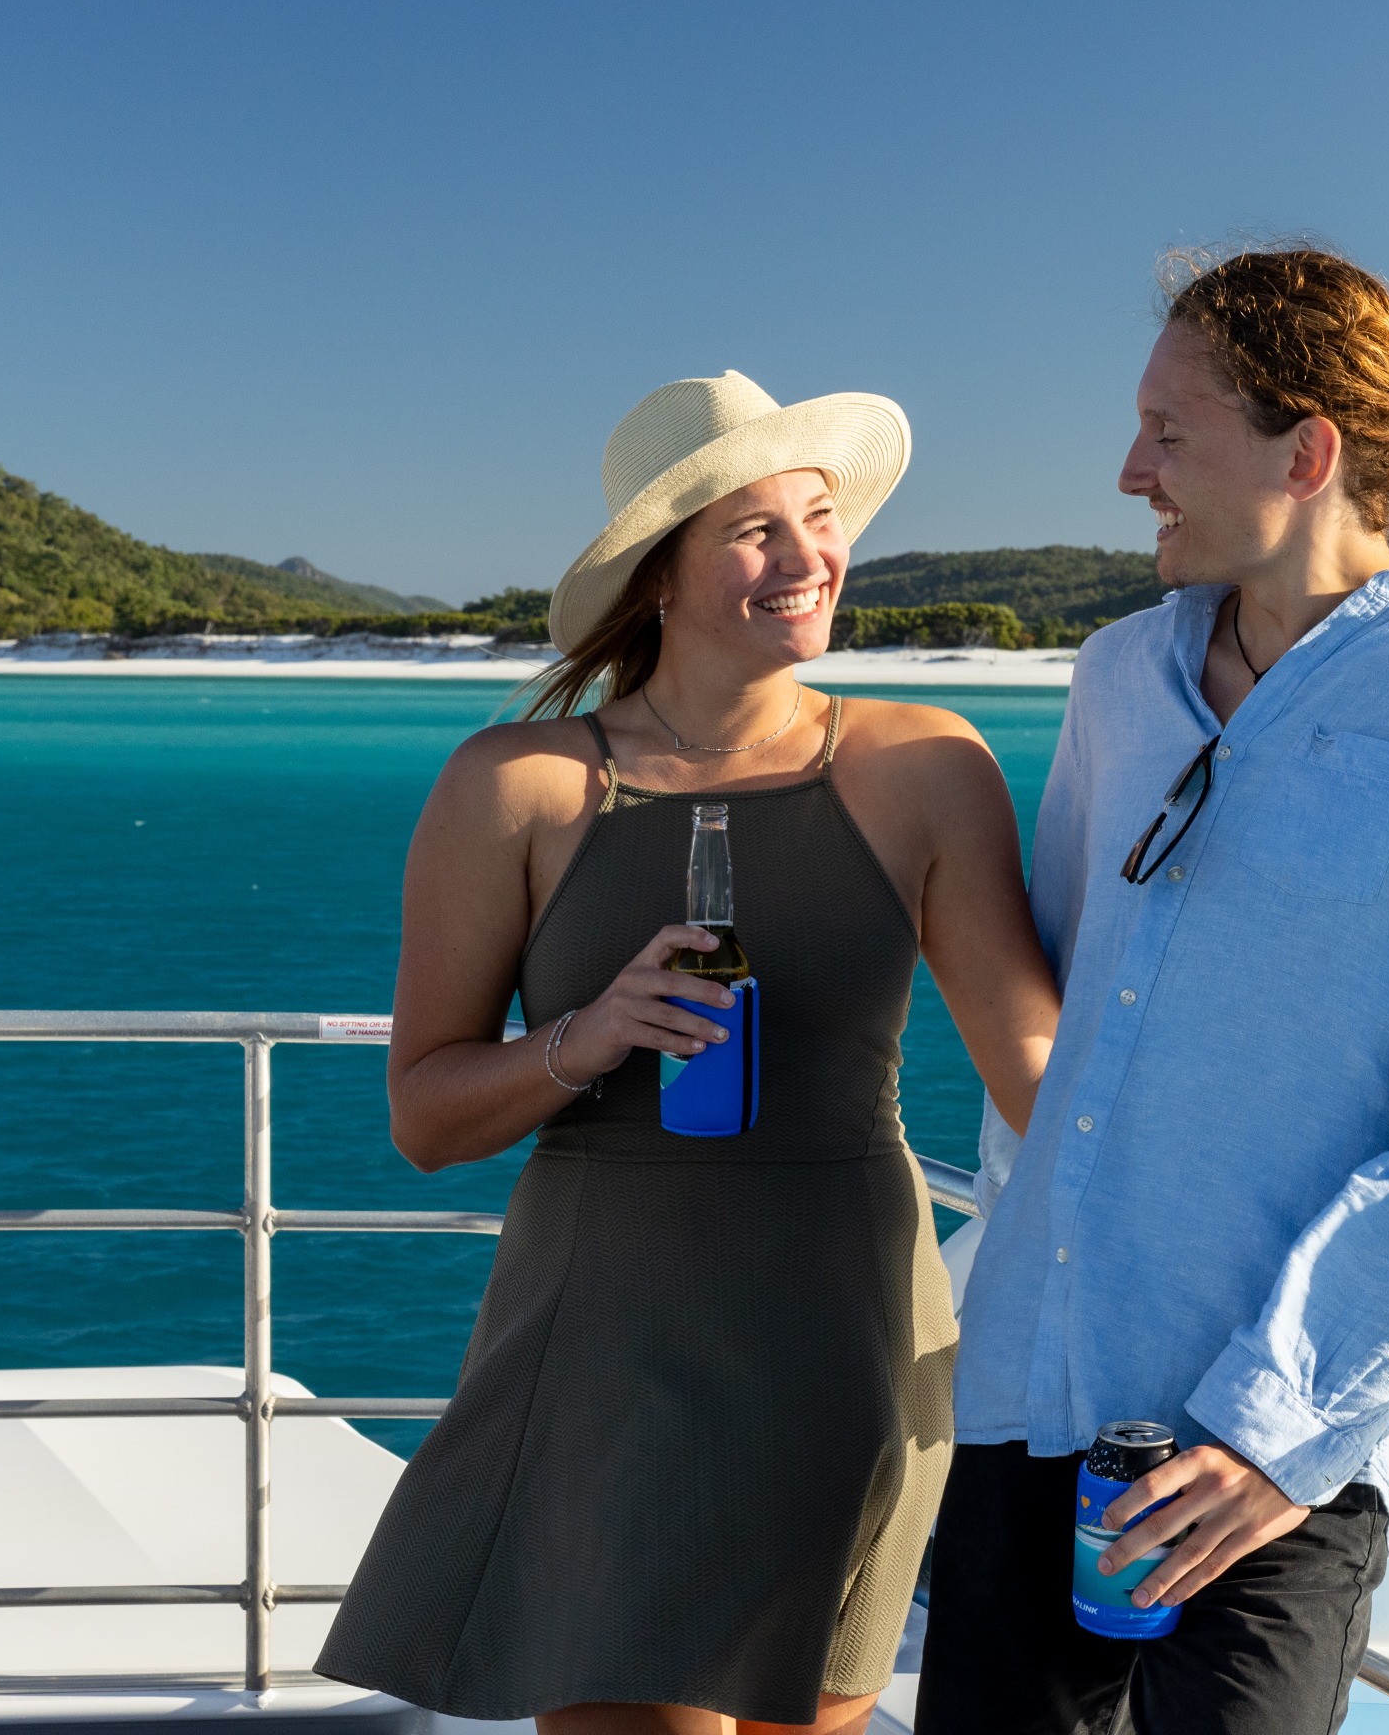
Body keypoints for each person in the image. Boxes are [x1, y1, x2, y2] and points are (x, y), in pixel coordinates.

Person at [916, 250, 1389, 1734]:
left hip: (1269, 1471)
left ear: (1306, 454)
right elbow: (1055, 1002)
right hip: (1030, 1403)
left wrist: (1273, 1433)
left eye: (1171, 433)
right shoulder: (1116, 675)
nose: (1129, 470)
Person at [320, 372, 1060, 1735]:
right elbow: (425, 1116)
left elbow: (1045, 1078)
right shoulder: (517, 785)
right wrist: (584, 1039)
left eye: (821, 519)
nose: (808, 560)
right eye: (754, 531)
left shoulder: (928, 764)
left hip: (857, 1335)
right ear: (656, 576)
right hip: (610, 1337)